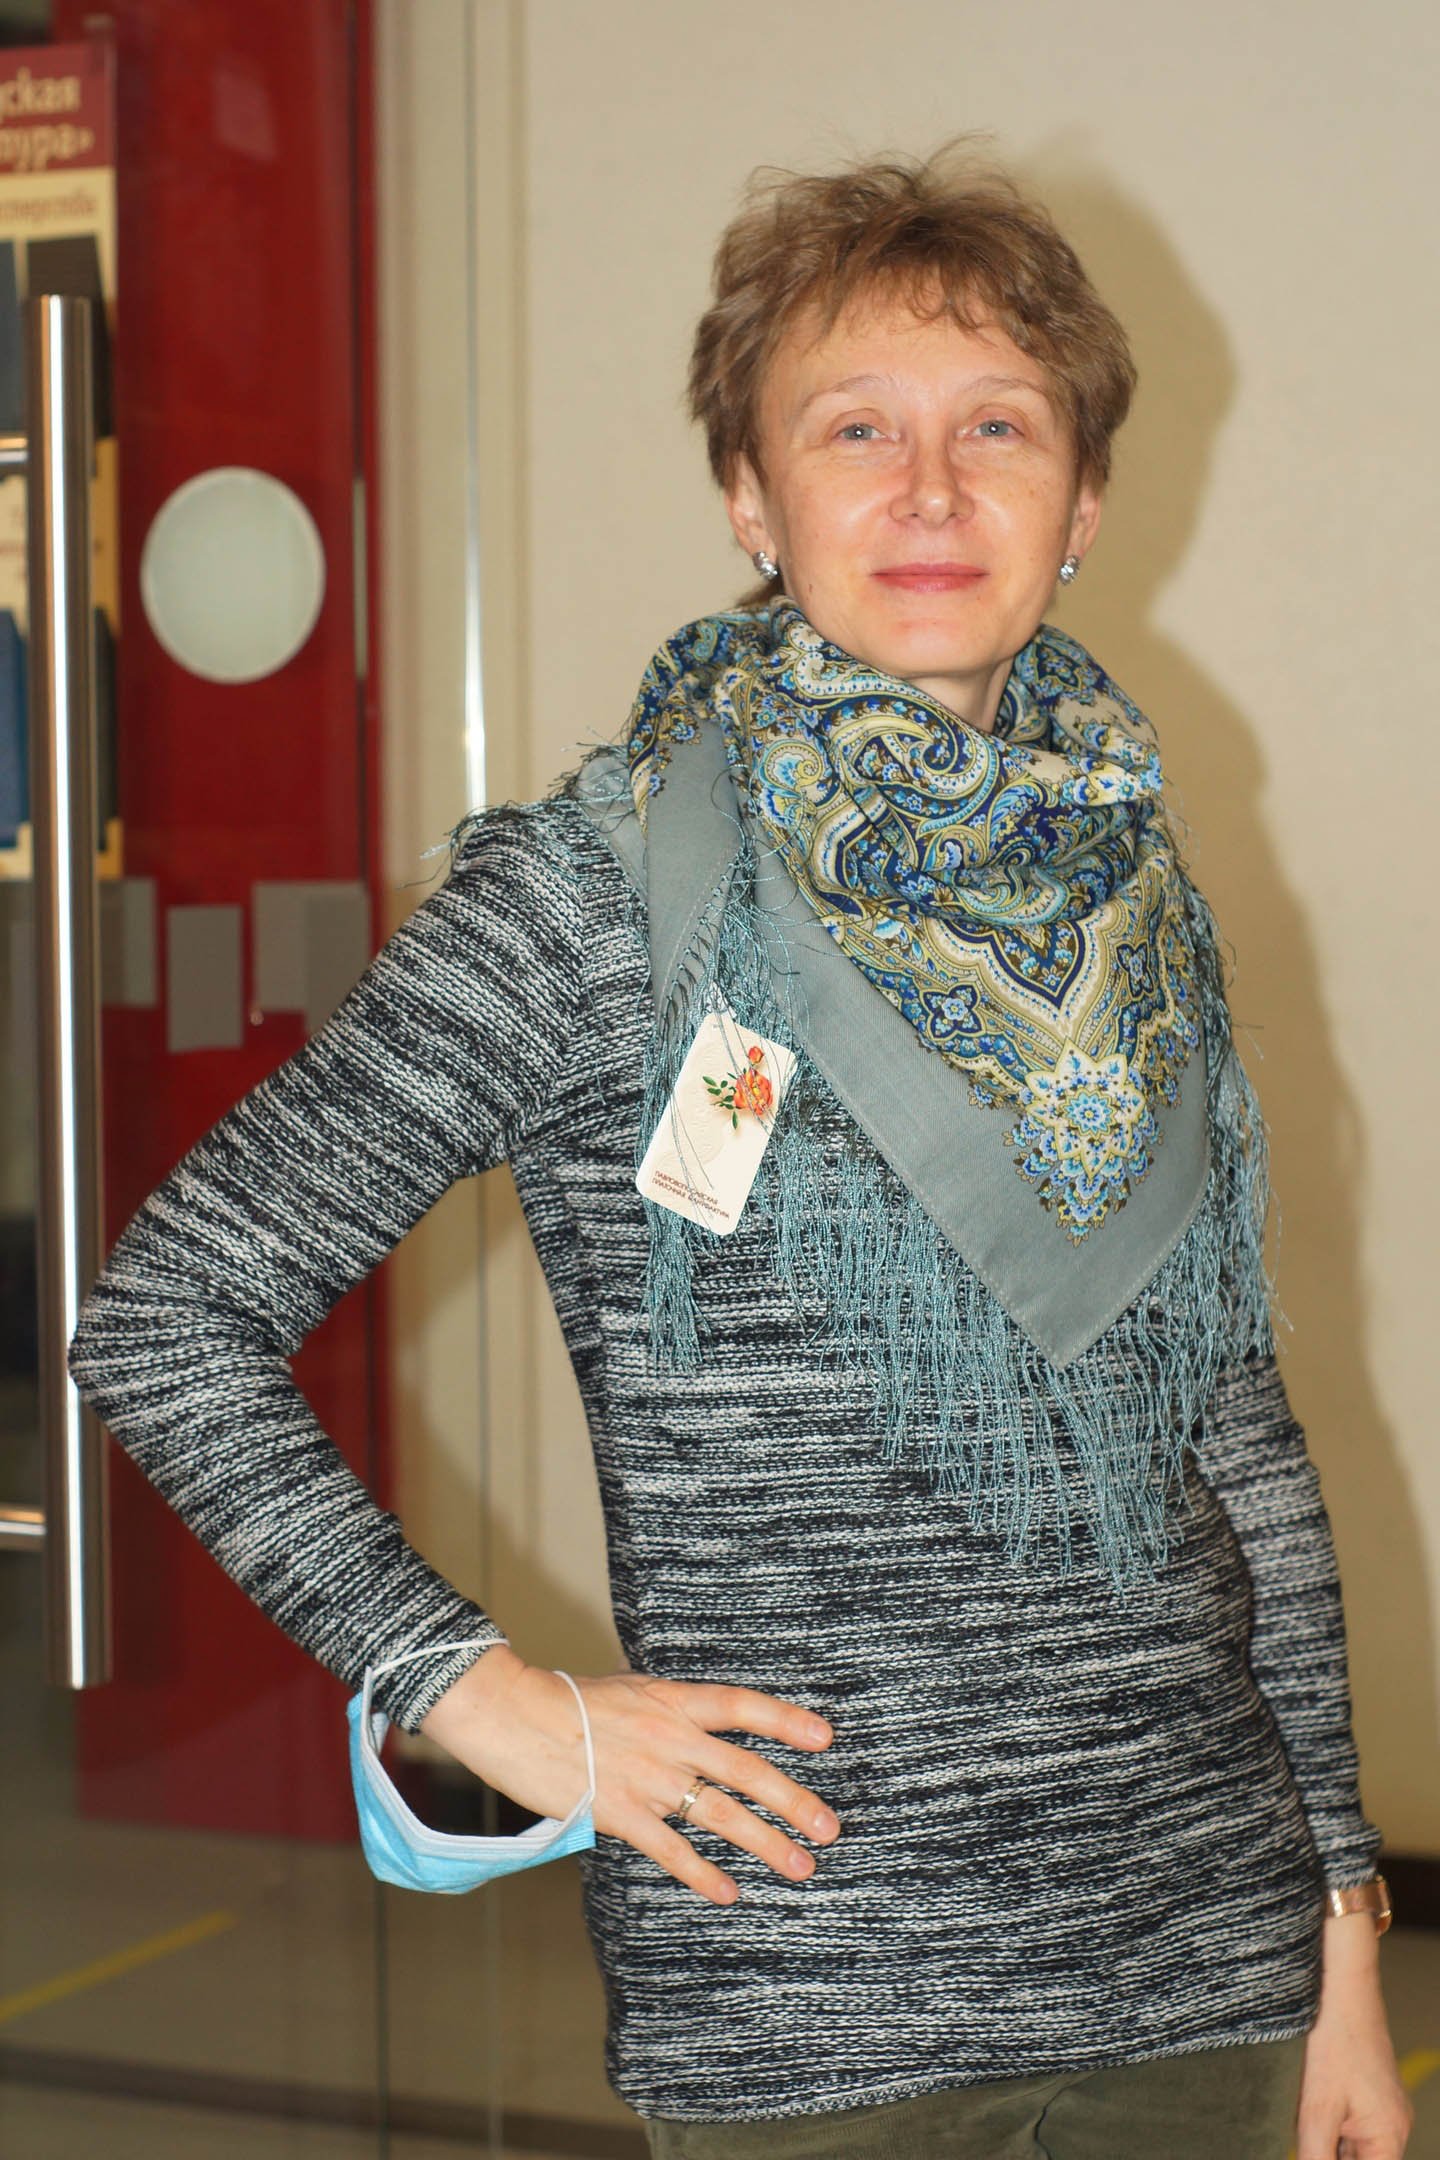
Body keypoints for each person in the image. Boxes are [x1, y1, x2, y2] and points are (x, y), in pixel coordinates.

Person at [68, 144, 1412, 2160]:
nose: (932, 488)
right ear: (749, 500)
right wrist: (487, 1699)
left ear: (1083, 504)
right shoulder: (593, 895)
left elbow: (1242, 1445)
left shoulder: (1136, 911)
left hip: (1208, 1971)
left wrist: (1343, 1935)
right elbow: (166, 1318)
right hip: (814, 2002)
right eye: (854, 428)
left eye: (999, 428)